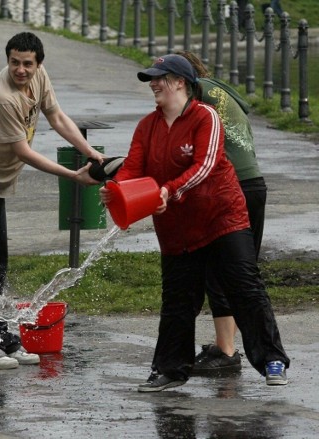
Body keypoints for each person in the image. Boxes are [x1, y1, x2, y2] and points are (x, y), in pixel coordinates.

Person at [99, 54, 290, 392]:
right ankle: (170, 370)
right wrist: (116, 190)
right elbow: (133, 169)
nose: (154, 84)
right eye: (151, 79)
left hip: (222, 218)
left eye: (160, 78)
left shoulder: (206, 117)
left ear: (180, 83)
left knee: (244, 286)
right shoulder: (147, 125)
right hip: (177, 227)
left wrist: (167, 190)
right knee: (177, 298)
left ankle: (272, 360)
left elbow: (204, 167)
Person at [0, 32, 103, 369]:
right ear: (8, 60)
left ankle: (0, 339)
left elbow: (57, 117)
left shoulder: (39, 78)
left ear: (38, 64)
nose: (20, 69)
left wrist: (89, 153)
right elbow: (23, 152)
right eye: (14, 62)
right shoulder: (3, 97)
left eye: (27, 63)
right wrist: (74, 175)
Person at [178, 51, 268, 374]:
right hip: (254, 185)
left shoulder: (196, 94)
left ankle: (227, 353)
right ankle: (225, 344)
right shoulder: (220, 90)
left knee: (218, 270)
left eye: (168, 80)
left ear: (183, 79)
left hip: (233, 189)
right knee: (238, 272)